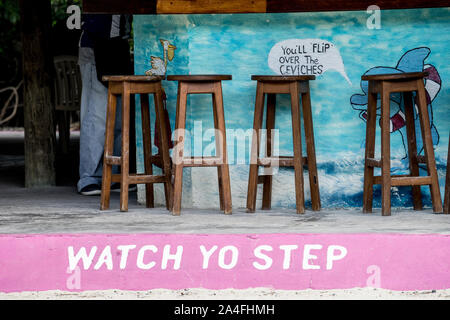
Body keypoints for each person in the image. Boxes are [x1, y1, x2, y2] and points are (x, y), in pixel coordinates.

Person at [77, 14, 134, 195]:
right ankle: (89, 176)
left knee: (119, 115)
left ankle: (114, 174)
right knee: (97, 114)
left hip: (117, 46)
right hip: (96, 46)